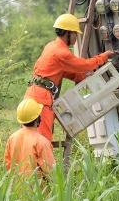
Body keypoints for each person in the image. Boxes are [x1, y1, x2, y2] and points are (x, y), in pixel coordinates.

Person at [24, 13, 114, 141]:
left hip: (34, 95)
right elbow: (85, 65)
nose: (76, 37)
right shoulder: (62, 52)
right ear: (68, 33)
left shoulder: (51, 46)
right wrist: (103, 57)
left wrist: (79, 77)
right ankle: (44, 162)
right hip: (41, 100)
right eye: (75, 34)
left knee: (30, 138)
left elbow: (61, 71)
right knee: (42, 140)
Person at [4, 98, 55, 179]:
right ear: (37, 118)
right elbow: (51, 171)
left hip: (15, 189)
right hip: (37, 190)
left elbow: (8, 166)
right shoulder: (42, 142)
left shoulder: (12, 138)